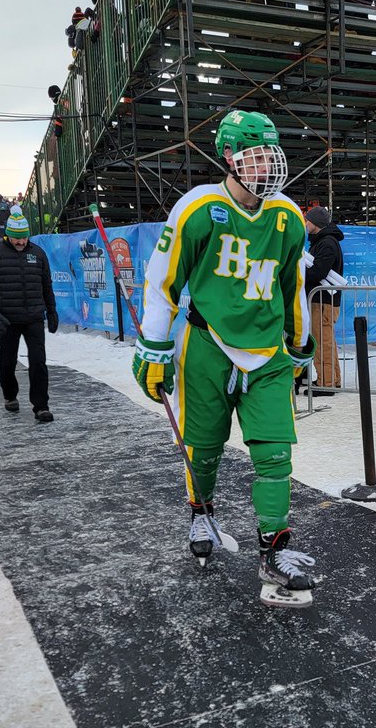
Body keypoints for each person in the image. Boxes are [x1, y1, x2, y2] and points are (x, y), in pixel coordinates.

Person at [131, 108, 317, 605]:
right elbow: (162, 281)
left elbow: (292, 285)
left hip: (268, 350)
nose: (267, 165)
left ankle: (274, 550)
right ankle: (202, 514)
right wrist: (154, 347)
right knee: (203, 446)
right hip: (208, 344)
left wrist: (300, 344)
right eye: (256, 156)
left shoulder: (287, 216)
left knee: (275, 454)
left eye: (271, 154)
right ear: (230, 156)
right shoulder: (198, 208)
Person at [0, 209, 58, 423]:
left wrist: (52, 310)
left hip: (33, 317)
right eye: (16, 238)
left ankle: (41, 406)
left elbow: (46, 285)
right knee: (7, 360)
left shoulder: (38, 254)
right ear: (7, 235)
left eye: (24, 238)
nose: (21, 242)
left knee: (38, 361)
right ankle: (10, 394)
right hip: (6, 319)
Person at [304, 205, 343, 395]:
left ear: (316, 223)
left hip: (323, 300)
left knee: (321, 342)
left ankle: (325, 383)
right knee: (327, 341)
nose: (305, 223)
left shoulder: (326, 243)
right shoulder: (323, 241)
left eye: (308, 220)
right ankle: (332, 379)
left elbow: (318, 271)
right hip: (323, 300)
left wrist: (299, 273)